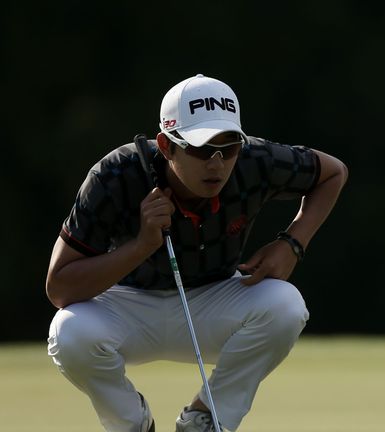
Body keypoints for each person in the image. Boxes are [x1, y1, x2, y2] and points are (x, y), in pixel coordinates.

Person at [45, 74, 348, 432]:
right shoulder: (116, 175)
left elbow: (333, 173)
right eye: (202, 149)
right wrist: (141, 245)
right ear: (166, 145)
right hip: (127, 307)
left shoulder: (255, 160)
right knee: (69, 332)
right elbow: (60, 288)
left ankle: (204, 420)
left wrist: (292, 243)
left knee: (285, 305)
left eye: (229, 147)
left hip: (213, 302)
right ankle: (131, 424)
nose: (217, 164)